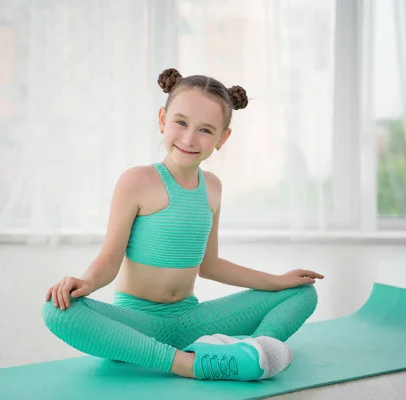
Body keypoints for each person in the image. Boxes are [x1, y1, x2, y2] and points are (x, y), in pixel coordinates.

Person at [42, 68, 323, 382]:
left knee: (303, 294)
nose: (190, 138)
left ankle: (259, 349)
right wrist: (86, 283)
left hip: (190, 320)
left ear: (222, 138)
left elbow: (211, 266)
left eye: (205, 130)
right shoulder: (137, 181)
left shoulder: (213, 188)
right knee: (56, 311)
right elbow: (109, 260)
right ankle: (192, 364)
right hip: (137, 326)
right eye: (181, 123)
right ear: (162, 119)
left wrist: (278, 280)